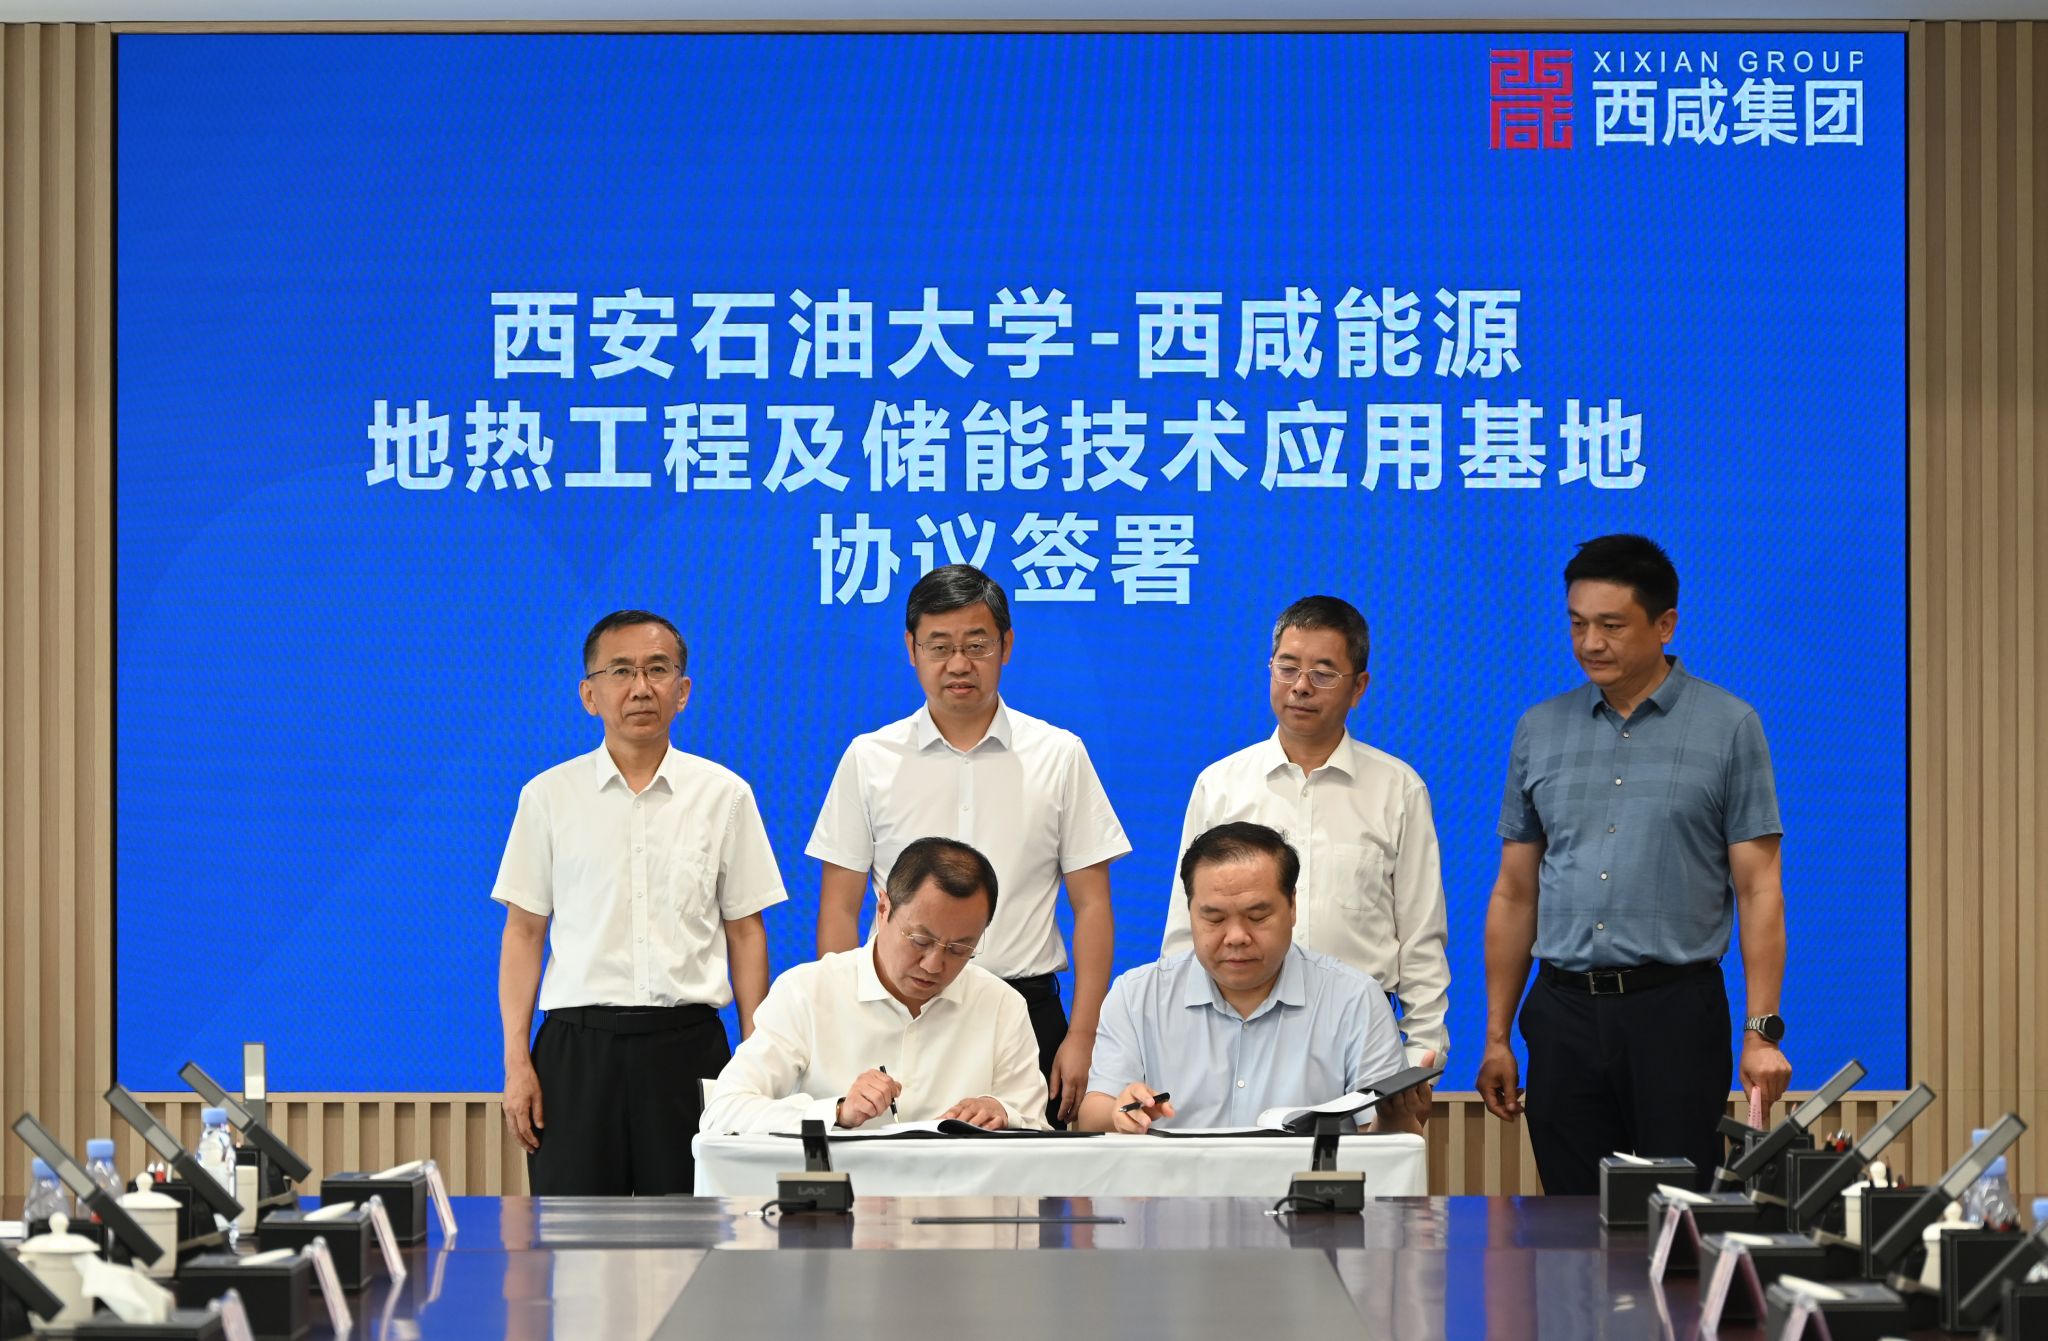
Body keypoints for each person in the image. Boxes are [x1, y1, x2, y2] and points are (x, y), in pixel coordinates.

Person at [1476, 535, 1793, 1193]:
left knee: (1677, 1214)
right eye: (1577, 623)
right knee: (1571, 1218)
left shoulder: (1730, 726)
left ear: (1665, 623)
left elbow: (1759, 888)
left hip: (1674, 1013)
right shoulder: (1540, 728)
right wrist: (1497, 1036)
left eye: (1611, 625)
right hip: (1561, 1013)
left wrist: (1762, 1032)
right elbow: (1514, 892)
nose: (1590, 642)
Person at [808, 564, 1128, 1125]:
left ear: (1007, 645)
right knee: (891, 1172)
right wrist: (845, 1024)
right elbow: (839, 907)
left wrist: (1082, 1033)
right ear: (911, 649)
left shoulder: (1059, 755)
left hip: (1026, 1008)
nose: (959, 664)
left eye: (977, 645)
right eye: (939, 646)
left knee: (1032, 1176)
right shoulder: (869, 758)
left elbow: (1093, 906)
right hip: (901, 1012)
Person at [494, 610, 785, 1195]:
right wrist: (516, 1062)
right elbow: (524, 933)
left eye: (657, 669)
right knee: (574, 1239)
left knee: (694, 1232)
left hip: (688, 1048)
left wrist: (756, 1058)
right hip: (577, 1052)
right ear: (589, 694)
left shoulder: (724, 795)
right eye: (621, 671)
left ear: (683, 690)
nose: (641, 687)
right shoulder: (547, 797)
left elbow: (745, 931)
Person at [1162, 595, 1450, 1065]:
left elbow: (1421, 937)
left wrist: (1424, 1052)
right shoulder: (1220, 785)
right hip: (1235, 1029)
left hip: (1359, 1034)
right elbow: (1185, 924)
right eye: (1288, 668)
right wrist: (1179, 1037)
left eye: (1323, 673)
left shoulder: (1398, 789)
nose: (1300, 687)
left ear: (1358, 687)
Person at [1078, 822, 1432, 1136]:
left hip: (1305, 1190)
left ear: (1292, 906)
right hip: (1171, 1188)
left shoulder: (1355, 999)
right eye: (1214, 918)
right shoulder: (1136, 996)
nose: (1236, 936)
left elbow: (1382, 1145)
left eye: (1257, 916)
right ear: (1190, 912)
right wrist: (1119, 1113)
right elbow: (1093, 1114)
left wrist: (1397, 1118)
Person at [701, 837, 1050, 1134]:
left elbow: (1039, 1131)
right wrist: (836, 1112)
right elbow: (723, 1112)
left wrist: (1003, 1113)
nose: (934, 964)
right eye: (920, 940)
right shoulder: (806, 992)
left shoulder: (1001, 1005)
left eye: (959, 948)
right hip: (840, 1192)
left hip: (961, 1192)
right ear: (883, 908)